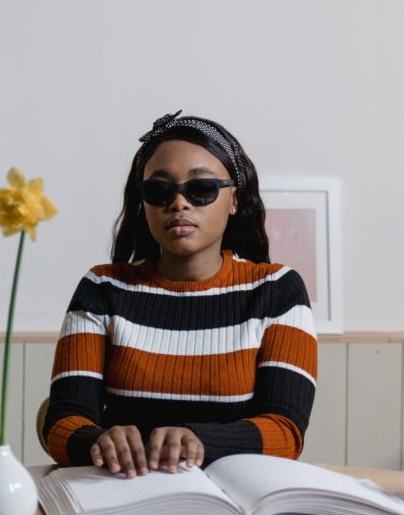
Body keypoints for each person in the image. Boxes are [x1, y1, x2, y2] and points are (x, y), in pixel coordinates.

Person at [41, 110, 317, 479]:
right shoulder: (102, 289)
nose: (179, 203)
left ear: (235, 199)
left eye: (201, 189)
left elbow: (285, 432)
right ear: (144, 204)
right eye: (159, 190)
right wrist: (99, 440)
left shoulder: (277, 291)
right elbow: (62, 423)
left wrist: (196, 441)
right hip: (121, 496)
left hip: (234, 508)